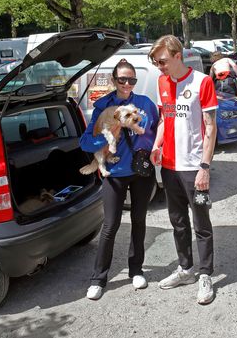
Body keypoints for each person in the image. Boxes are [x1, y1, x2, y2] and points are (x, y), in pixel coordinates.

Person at [79, 58, 159, 301]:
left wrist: (154, 149)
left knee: (139, 220)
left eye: (131, 79)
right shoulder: (103, 105)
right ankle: (98, 278)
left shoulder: (144, 103)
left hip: (140, 172)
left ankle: (136, 270)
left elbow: (156, 132)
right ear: (114, 80)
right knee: (110, 225)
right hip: (114, 174)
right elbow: (85, 141)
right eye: (122, 79)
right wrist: (108, 137)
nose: (126, 84)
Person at [148, 35, 218, 305]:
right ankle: (186, 269)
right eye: (156, 62)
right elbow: (166, 119)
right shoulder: (161, 82)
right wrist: (156, 145)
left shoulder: (203, 82)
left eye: (163, 61)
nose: (159, 67)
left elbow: (211, 128)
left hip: (195, 169)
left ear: (178, 56)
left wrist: (205, 167)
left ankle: (205, 273)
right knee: (178, 222)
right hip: (169, 168)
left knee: (202, 222)